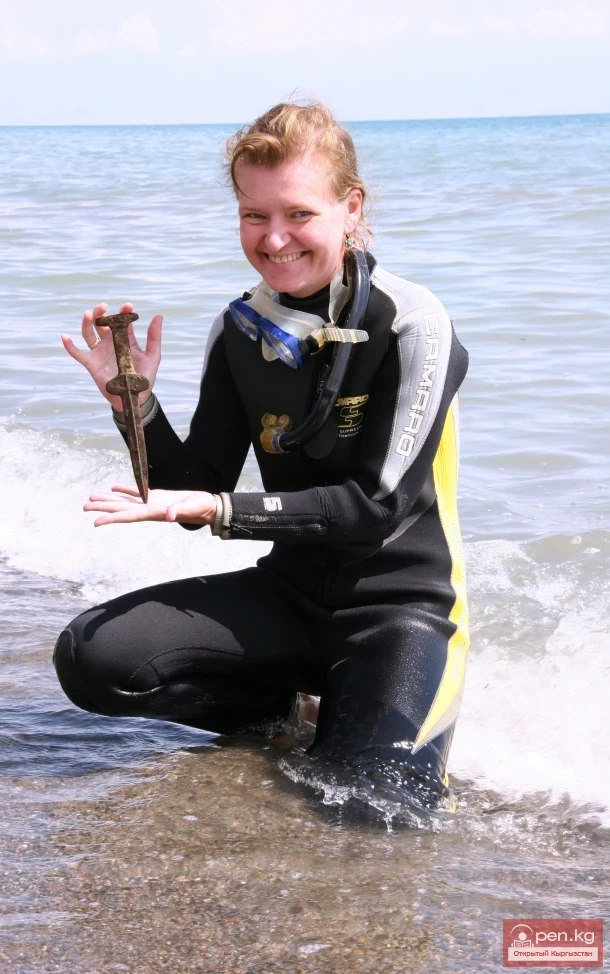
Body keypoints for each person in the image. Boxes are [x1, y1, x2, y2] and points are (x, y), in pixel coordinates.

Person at [54, 101, 469, 814]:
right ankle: (282, 712)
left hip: (401, 614)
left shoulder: (411, 324)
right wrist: (135, 404)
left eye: (299, 214)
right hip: (290, 597)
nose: (274, 239)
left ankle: (359, 713)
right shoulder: (241, 329)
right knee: (93, 656)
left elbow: (373, 508)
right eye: (254, 216)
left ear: (350, 208)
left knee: (375, 812)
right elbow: (195, 488)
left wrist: (220, 510)